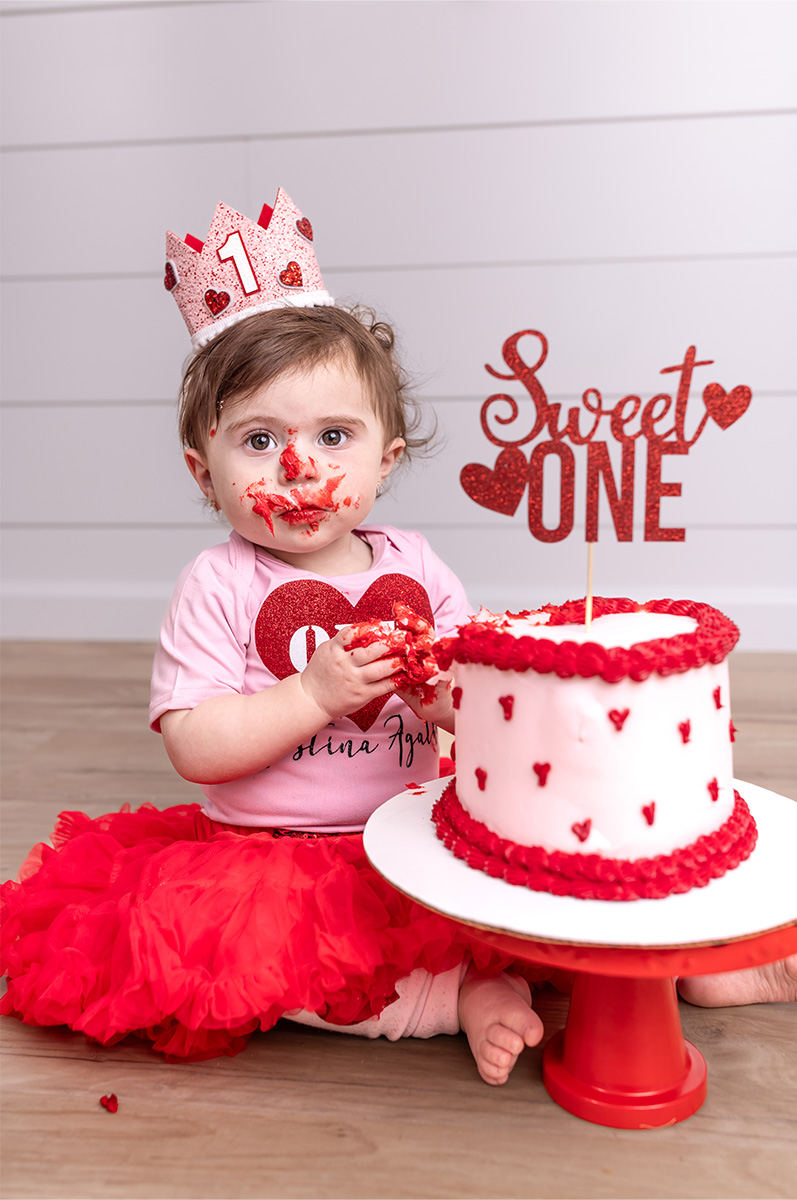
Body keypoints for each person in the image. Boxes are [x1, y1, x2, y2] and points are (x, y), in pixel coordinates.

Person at [0, 193, 545, 1085]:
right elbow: (196, 747)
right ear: (203, 471)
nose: (300, 467)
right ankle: (444, 1002)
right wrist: (313, 695)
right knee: (233, 958)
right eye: (260, 440)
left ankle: (700, 966)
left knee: (548, 884)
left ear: (386, 459)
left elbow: (485, 707)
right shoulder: (218, 585)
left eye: (335, 436)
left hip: (412, 836)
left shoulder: (418, 565)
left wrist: (440, 695)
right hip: (273, 857)